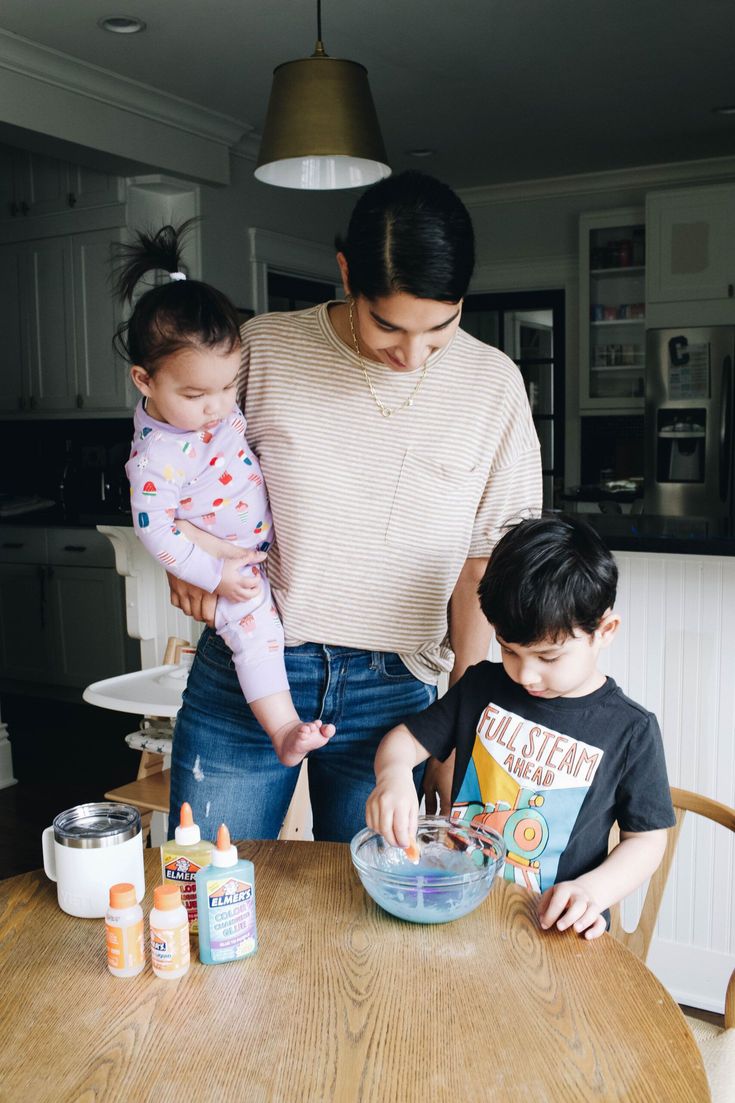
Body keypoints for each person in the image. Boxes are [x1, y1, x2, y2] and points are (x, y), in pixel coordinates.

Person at [167, 171, 542, 843]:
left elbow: (481, 567)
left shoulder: (493, 386)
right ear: (346, 274)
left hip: (394, 690)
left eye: (440, 330)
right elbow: (179, 458)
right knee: (204, 891)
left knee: (363, 924)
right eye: (388, 326)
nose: (411, 354)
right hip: (253, 665)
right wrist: (186, 553)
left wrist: (458, 716)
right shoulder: (267, 347)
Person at [366, 514, 675, 939]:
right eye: (509, 650)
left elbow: (646, 840)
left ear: (605, 631)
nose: (526, 675)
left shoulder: (631, 730)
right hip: (463, 909)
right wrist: (395, 775)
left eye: (548, 658)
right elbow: (402, 743)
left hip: (551, 928)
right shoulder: (481, 686)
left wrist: (592, 891)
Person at [116, 225, 335, 766]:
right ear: (144, 381)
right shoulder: (155, 458)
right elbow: (155, 529)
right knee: (254, 632)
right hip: (230, 566)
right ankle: (283, 729)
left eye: (226, 387)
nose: (217, 406)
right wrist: (213, 574)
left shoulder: (209, 407)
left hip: (263, 553)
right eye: (195, 394)